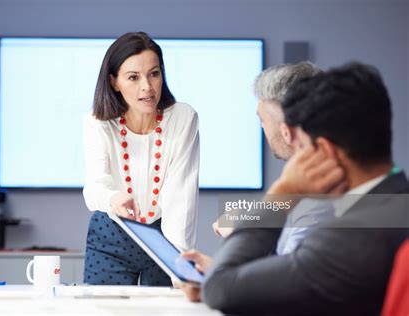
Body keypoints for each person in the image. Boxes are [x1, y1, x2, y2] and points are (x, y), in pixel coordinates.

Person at [185, 62, 409, 315]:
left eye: (302, 147)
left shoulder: (345, 237)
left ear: (324, 151)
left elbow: (221, 288)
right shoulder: (398, 201)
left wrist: (283, 191)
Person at [82, 32, 199, 286]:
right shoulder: (98, 122)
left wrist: (179, 265)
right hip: (111, 236)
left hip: (163, 238)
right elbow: (94, 186)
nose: (147, 87)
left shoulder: (182, 118)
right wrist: (114, 197)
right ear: (114, 82)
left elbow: (181, 197)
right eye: (133, 77)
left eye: (154, 74)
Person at [214, 62, 335, 255]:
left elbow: (285, 282)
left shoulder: (316, 203)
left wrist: (242, 237)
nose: (262, 128)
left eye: (262, 120)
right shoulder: (317, 186)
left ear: (286, 132)